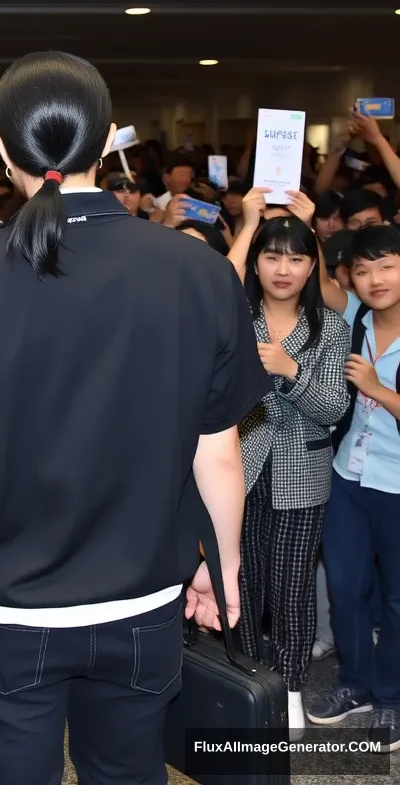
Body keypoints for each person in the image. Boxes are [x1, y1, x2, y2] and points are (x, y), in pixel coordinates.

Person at [0, 50, 270, 785]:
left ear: (2, 150)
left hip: (4, 618)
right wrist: (223, 569)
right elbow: (220, 453)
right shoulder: (196, 271)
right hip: (143, 608)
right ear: (108, 144)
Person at [227, 187, 350, 739]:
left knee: (294, 586)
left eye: (296, 257)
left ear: (311, 265)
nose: (283, 268)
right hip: (242, 472)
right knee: (245, 584)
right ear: (256, 261)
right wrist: (250, 219)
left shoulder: (332, 328)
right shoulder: (236, 318)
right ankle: (255, 686)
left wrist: (289, 370)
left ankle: (294, 687)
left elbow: (331, 409)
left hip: (304, 476)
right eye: (272, 256)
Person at [309, 224, 400, 749]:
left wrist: (376, 389)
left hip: (395, 484)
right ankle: (355, 685)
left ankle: (388, 697)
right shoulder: (356, 317)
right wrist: (308, 217)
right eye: (363, 270)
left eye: (386, 266)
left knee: (396, 601)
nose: (374, 279)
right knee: (344, 590)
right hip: (348, 475)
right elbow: (316, 280)